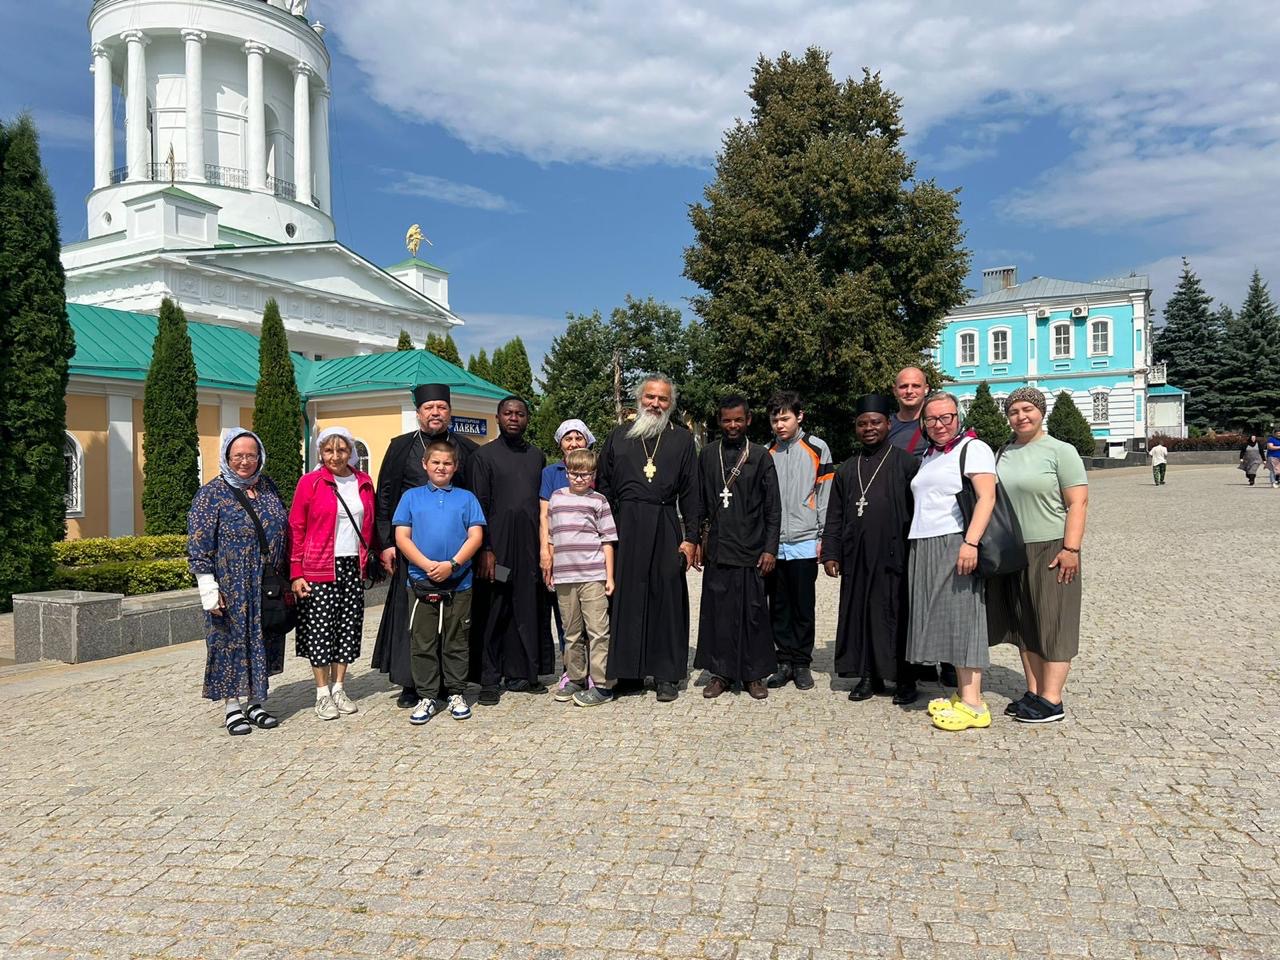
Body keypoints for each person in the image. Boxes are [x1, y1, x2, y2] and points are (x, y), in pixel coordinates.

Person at [371, 384, 478, 708]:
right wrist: (387, 542)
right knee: (414, 620)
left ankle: (451, 682)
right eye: (429, 408)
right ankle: (412, 684)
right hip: (411, 552)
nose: (435, 413)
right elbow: (385, 494)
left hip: (455, 556)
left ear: (449, 411)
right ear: (418, 413)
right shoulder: (401, 447)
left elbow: (476, 497)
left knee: (454, 621)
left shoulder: (467, 449)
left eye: (441, 408)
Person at [596, 374, 701, 702]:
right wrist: (604, 535)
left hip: (665, 522)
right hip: (624, 525)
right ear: (639, 399)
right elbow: (604, 487)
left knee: (666, 598)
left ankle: (667, 673)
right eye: (650, 397)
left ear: (671, 404)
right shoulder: (618, 437)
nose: (656, 404)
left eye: (663, 399)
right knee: (626, 599)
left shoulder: (682, 440)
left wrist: (692, 538)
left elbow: (692, 492)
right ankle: (629, 672)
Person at [986, 387, 1088, 724]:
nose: (1021, 416)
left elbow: (1077, 502)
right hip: (1013, 548)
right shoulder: (1003, 452)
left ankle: (1052, 699)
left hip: (1051, 546)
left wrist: (1071, 548)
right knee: (1024, 623)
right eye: (1014, 411)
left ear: (1041, 412)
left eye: (1027, 409)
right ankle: (1033, 691)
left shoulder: (1061, 451)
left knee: (1054, 621)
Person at [188, 429, 289, 736]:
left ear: (260, 457)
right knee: (230, 641)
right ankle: (233, 706)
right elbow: (198, 543)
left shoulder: (268, 487)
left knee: (264, 639)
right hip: (230, 582)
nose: (245, 462)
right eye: (238, 456)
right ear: (227, 458)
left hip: (265, 580)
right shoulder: (211, 494)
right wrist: (208, 587)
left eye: (251, 455)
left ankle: (257, 701)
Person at [907, 392, 998, 732]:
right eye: (931, 419)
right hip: (925, 540)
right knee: (944, 616)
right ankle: (963, 694)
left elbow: (987, 496)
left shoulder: (973, 448)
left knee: (964, 616)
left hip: (956, 539)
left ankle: (974, 703)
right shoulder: (930, 454)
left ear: (958, 417)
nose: (939, 424)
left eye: (946, 417)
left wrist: (970, 542)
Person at [823, 394, 921, 705]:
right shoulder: (847, 469)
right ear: (856, 427)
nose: (869, 428)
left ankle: (905, 678)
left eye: (875, 422)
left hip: (896, 555)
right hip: (857, 555)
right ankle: (868, 675)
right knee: (861, 614)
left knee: (897, 614)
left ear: (887, 424)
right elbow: (834, 514)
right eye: (863, 423)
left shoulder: (906, 463)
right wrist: (831, 552)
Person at [393, 441, 486, 725]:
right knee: (423, 641)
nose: (441, 468)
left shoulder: (467, 498)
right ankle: (427, 695)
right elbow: (402, 537)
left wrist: (452, 564)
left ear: (455, 467)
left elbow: (475, 536)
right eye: (436, 463)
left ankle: (456, 692)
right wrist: (426, 565)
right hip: (421, 581)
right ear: (425, 464)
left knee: (456, 640)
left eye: (447, 463)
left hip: (458, 581)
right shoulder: (411, 497)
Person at [695, 396, 781, 700]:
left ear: (748, 421)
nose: (733, 425)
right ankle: (720, 673)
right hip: (719, 547)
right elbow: (699, 503)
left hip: (752, 548)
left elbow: (773, 508)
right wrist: (694, 540)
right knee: (718, 613)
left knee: (753, 614)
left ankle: (753, 674)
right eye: (727, 420)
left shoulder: (759, 456)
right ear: (720, 421)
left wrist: (770, 548)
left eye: (738, 420)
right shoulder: (707, 455)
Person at [289, 427, 377, 720]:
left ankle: (339, 686)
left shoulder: (363, 482)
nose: (336, 456)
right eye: (329, 450)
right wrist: (296, 571)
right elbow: (296, 528)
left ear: (350, 452)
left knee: (348, 628)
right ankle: (322, 693)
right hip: (318, 565)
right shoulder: (310, 483)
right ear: (320, 453)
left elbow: (369, 524)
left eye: (342, 450)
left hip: (352, 564)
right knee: (320, 630)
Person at [471, 396, 552, 705]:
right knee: (495, 610)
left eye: (520, 413)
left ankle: (524, 673)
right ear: (497, 418)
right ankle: (489, 680)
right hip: (498, 550)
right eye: (508, 413)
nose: (514, 418)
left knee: (528, 609)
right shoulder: (484, 456)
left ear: (527, 419)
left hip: (530, 549)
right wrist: (486, 549)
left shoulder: (536, 456)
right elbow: (479, 505)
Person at [763, 392, 833, 691]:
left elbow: (826, 494)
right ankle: (784, 661)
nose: (780, 425)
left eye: (785, 418)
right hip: (775, 543)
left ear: (799, 416)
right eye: (775, 419)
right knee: (779, 605)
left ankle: (802, 663)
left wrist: (823, 536)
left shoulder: (817, 448)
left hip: (805, 539)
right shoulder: (766, 452)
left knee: (803, 605)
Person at [545, 447, 618, 707]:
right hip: (565, 577)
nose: (579, 478)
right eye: (575, 473)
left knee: (598, 631)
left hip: (593, 575)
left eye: (585, 474)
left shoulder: (598, 501)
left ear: (593, 475)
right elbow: (552, 538)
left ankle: (601, 684)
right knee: (571, 632)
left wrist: (609, 576)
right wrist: (550, 568)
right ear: (566, 473)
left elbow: (608, 540)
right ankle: (576, 678)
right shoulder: (556, 498)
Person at [539, 419, 595, 694]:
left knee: (594, 619)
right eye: (568, 439)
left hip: (590, 558)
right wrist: (545, 552)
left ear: (587, 441)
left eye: (578, 438)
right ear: (560, 443)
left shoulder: (594, 469)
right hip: (561, 556)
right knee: (567, 619)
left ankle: (595, 671)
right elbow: (544, 515)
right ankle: (571, 671)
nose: (573, 443)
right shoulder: (551, 473)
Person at [888, 366, 929, 458]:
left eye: (916, 386)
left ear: (926, 389)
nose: (909, 391)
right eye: (903, 386)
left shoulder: (938, 424)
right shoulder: (885, 427)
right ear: (895, 391)